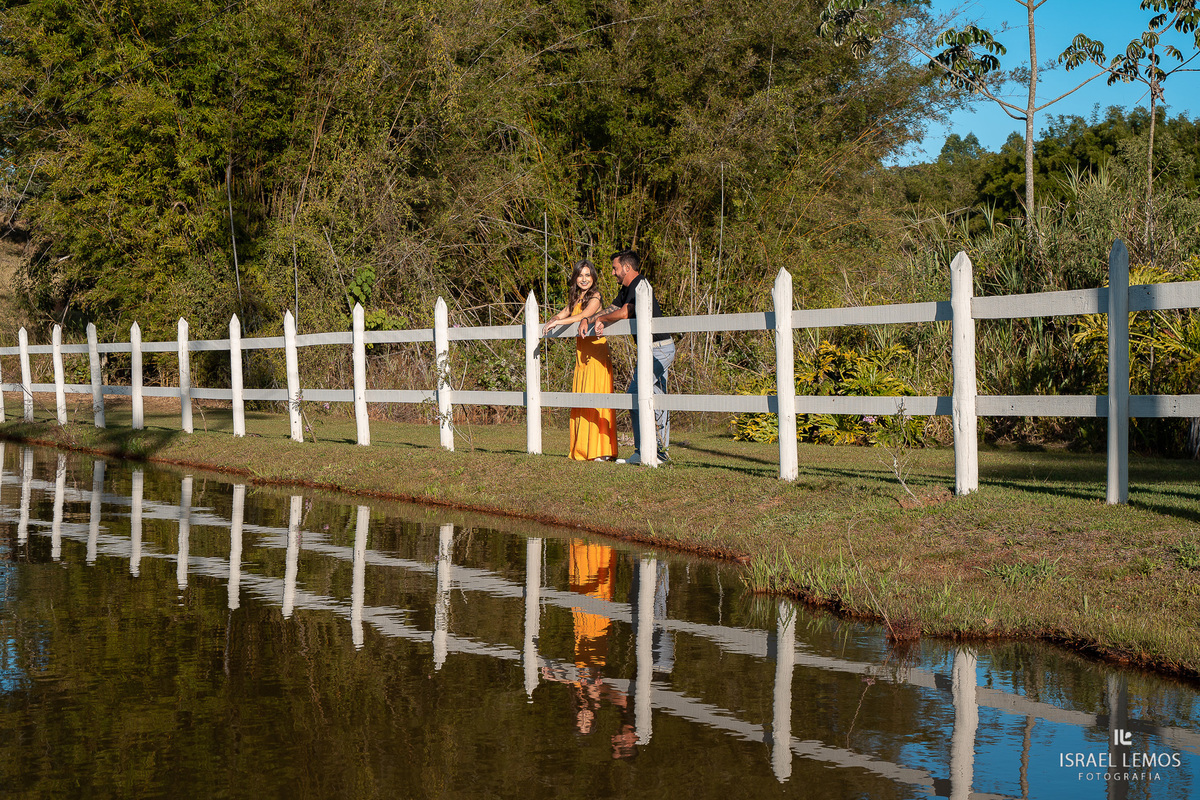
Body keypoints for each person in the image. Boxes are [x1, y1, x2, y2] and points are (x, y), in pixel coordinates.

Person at [592, 249, 675, 464]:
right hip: (649, 349)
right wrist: (591, 319)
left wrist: (602, 320)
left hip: (660, 348)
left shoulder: (640, 284)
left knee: (636, 394)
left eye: (615, 268)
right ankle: (654, 452)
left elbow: (625, 312)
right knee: (654, 397)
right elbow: (613, 307)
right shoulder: (627, 288)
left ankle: (649, 450)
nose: (613, 273)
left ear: (627, 268)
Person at [541, 260, 618, 461]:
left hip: (596, 355)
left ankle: (601, 450)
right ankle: (584, 449)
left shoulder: (595, 297)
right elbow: (564, 312)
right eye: (580, 275)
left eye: (587, 275)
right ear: (575, 278)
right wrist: (551, 320)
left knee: (596, 399)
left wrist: (558, 322)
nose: (584, 279)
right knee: (582, 399)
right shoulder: (576, 298)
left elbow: (584, 316)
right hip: (582, 357)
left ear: (593, 277)